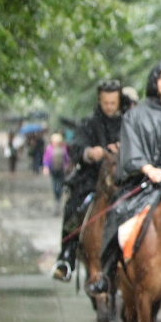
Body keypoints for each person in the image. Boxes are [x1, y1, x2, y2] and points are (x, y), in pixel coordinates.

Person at [88, 60, 161, 300]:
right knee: (118, 213)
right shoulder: (136, 115)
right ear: (154, 81)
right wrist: (148, 169)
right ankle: (108, 272)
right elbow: (131, 149)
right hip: (143, 183)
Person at [52, 79, 123, 281]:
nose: (109, 106)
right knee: (74, 207)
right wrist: (90, 153)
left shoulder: (129, 123)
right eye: (106, 102)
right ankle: (66, 256)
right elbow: (76, 148)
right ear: (100, 100)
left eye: (113, 102)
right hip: (92, 180)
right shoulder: (88, 123)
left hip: (123, 179)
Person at [42, 133, 69, 214]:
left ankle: (59, 197)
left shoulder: (63, 149)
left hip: (61, 170)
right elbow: (46, 159)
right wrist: (46, 167)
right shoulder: (49, 149)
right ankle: (57, 198)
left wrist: (67, 166)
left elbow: (67, 158)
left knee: (60, 184)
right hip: (53, 170)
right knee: (55, 185)